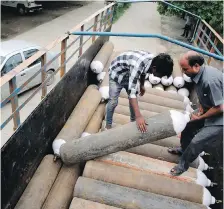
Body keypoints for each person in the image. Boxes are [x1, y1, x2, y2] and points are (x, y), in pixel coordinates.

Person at [168, 51, 223, 176]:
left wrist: (202, 117)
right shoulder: (198, 75)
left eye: (185, 68)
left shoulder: (210, 80)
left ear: (196, 66)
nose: (182, 71)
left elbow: (220, 107)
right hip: (211, 108)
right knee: (188, 127)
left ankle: (182, 166)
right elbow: (204, 95)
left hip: (221, 117)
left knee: (197, 141)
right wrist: (202, 108)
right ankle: (183, 149)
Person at [105, 51, 174, 133]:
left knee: (133, 101)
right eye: (160, 75)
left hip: (129, 73)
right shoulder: (137, 65)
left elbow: (144, 71)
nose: (160, 77)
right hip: (116, 75)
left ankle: (133, 122)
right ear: (154, 68)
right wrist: (139, 116)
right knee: (113, 102)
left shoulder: (152, 61)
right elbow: (132, 93)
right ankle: (107, 126)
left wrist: (142, 85)